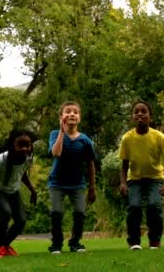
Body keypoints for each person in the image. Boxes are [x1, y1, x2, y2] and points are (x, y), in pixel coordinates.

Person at [119, 100, 164, 250]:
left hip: (155, 178)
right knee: (134, 206)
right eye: (136, 111)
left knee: (153, 205)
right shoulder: (127, 138)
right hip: (135, 179)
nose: (139, 114)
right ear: (132, 117)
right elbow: (124, 165)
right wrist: (123, 183)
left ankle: (155, 241)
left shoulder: (158, 137)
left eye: (143, 111)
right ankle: (134, 241)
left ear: (150, 117)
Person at [47, 101, 96, 254]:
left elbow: (90, 164)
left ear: (79, 118)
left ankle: (75, 242)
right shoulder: (55, 134)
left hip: (78, 184)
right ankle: (56, 244)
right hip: (57, 183)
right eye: (68, 111)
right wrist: (62, 132)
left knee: (80, 213)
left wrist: (92, 187)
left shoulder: (85, 140)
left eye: (75, 112)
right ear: (61, 117)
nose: (72, 114)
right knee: (56, 212)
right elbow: (56, 153)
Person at [0, 129, 38, 258]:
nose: (25, 149)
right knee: (6, 212)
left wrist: (33, 190)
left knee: (21, 220)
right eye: (21, 145)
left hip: (13, 191)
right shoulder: (1, 160)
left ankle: (5, 246)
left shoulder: (28, 158)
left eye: (28, 145)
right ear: (13, 146)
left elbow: (22, 174)